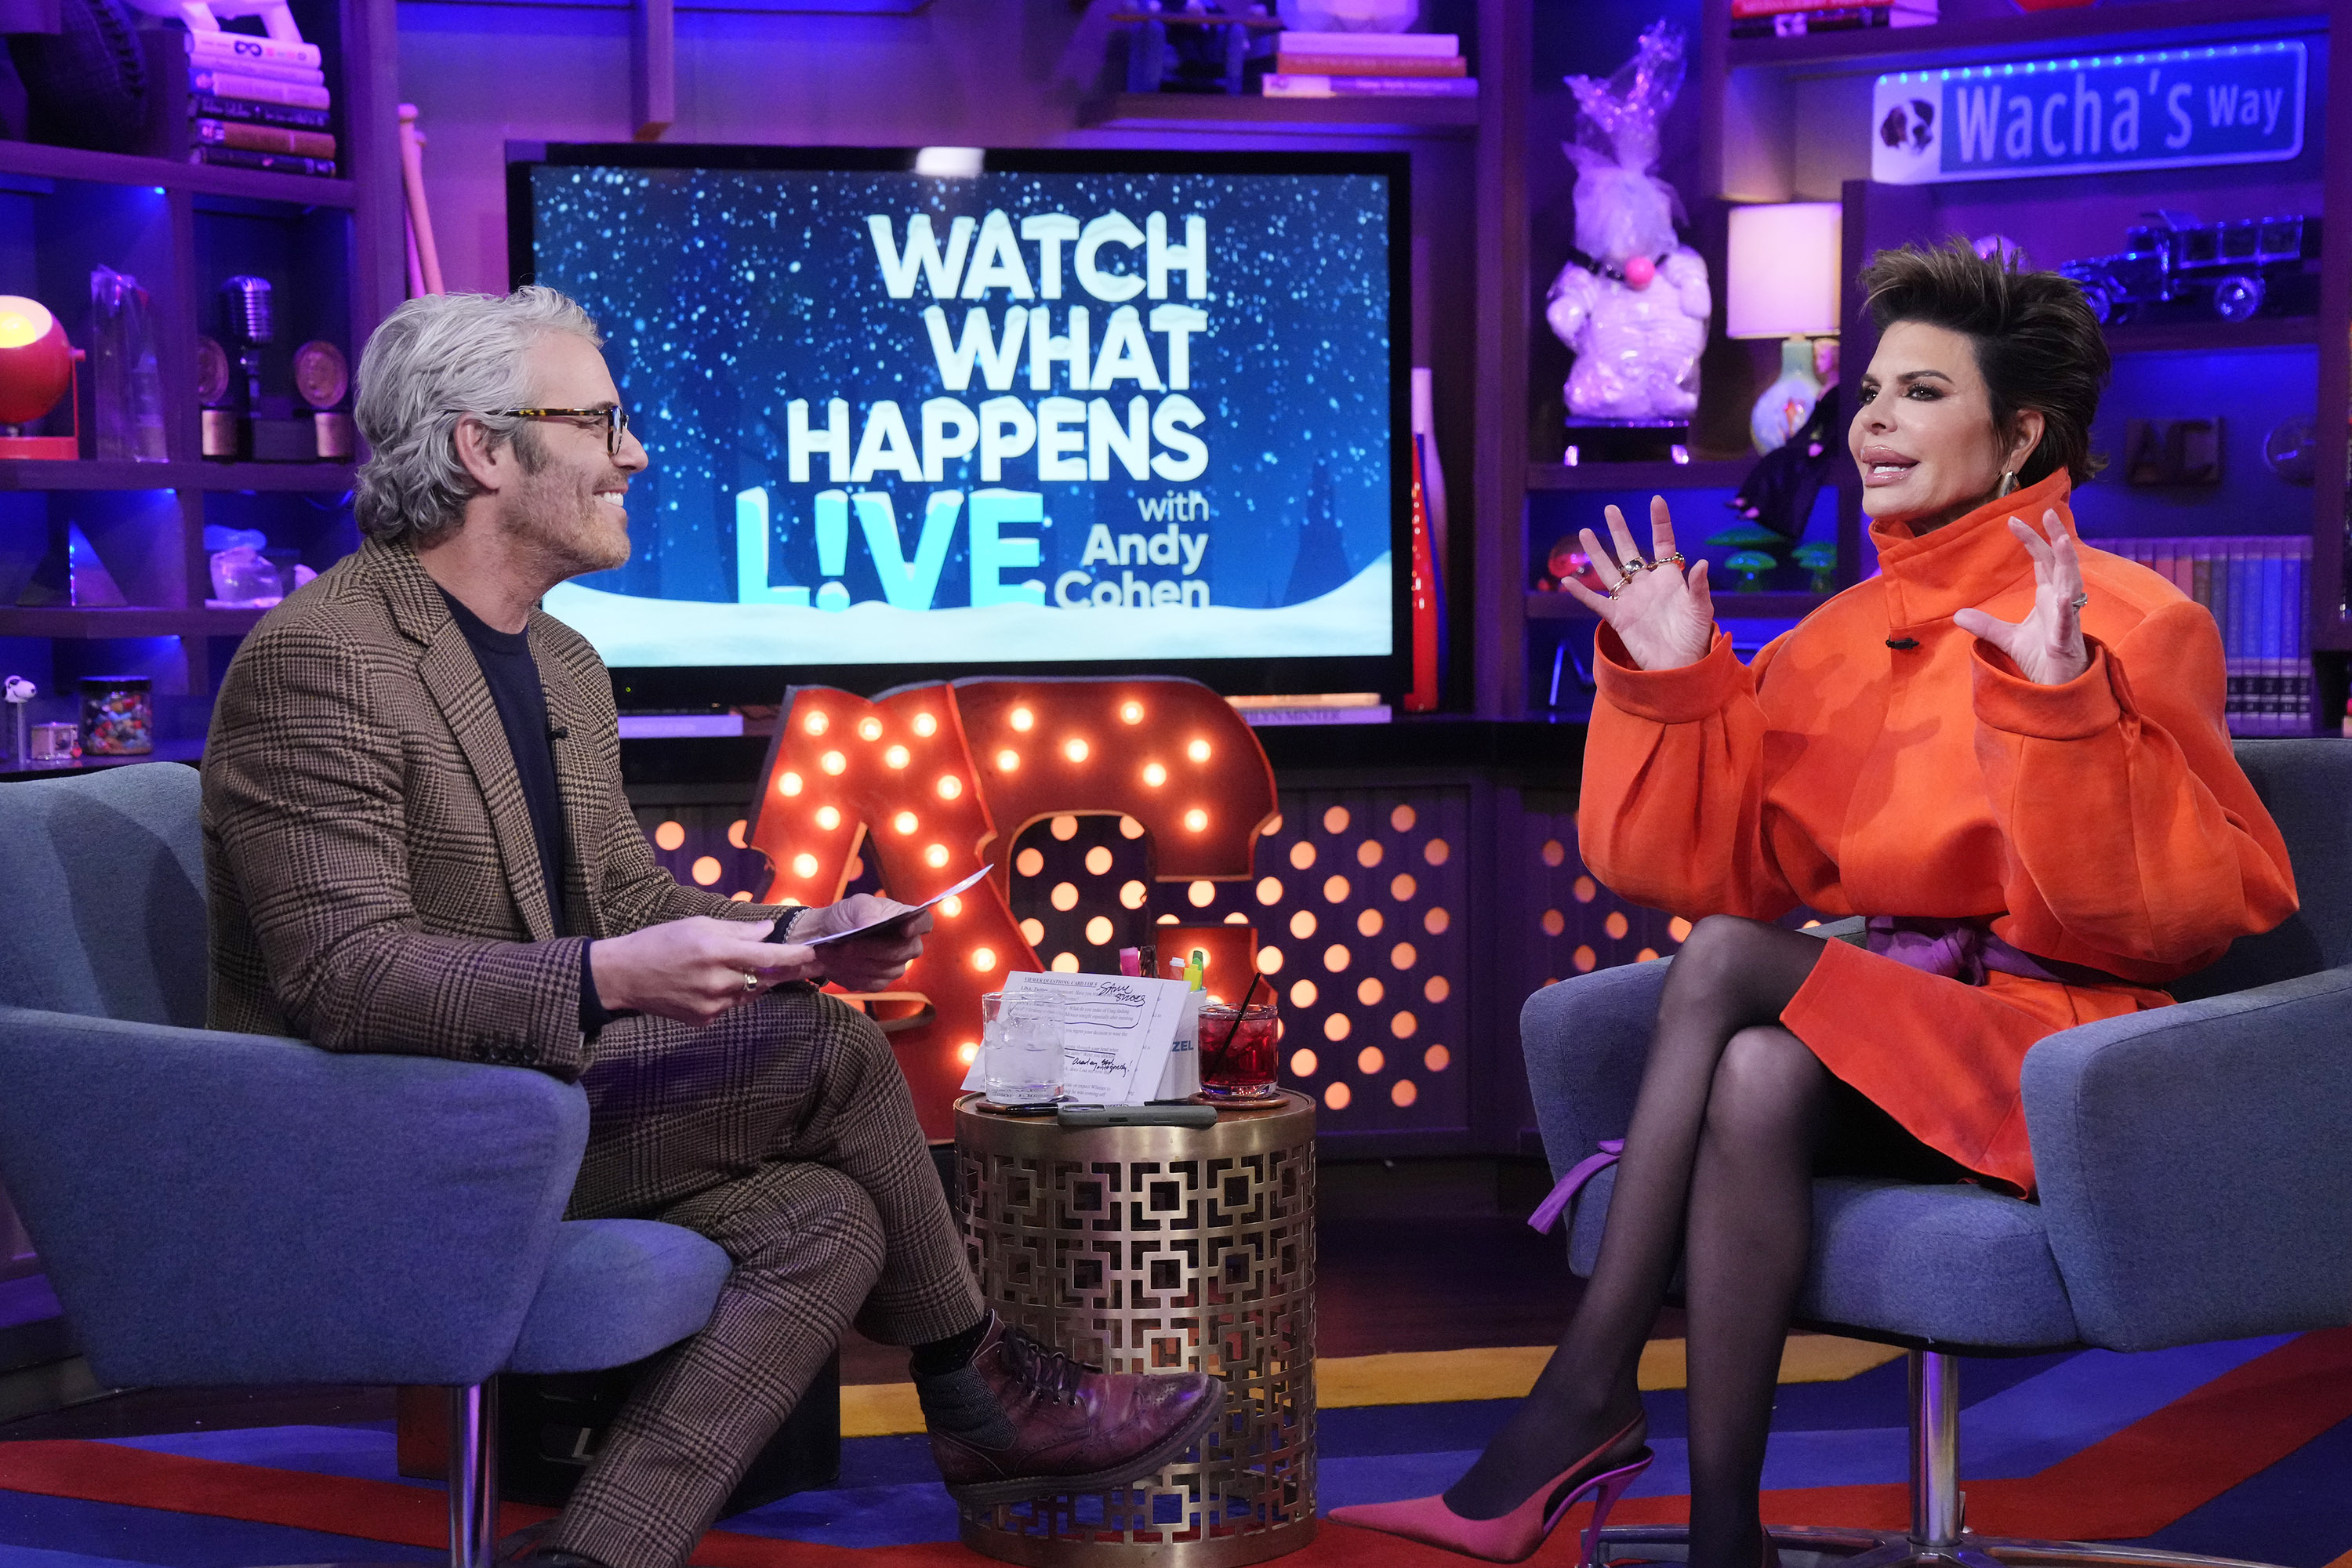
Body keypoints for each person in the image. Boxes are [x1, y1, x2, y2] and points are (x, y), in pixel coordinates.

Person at [201, 288, 1220, 1568]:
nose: (634, 454)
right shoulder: (325, 658)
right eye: (601, 421)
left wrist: (807, 929)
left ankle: (597, 1556)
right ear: (480, 447)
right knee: (835, 1055)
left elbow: (625, 899)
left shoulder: (558, 659)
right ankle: (978, 1387)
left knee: (825, 1223)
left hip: (529, 1102)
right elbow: (344, 979)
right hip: (383, 1136)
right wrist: (608, 979)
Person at [1332, 240, 2298, 1566]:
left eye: (1920, 393)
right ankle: (1728, 1532)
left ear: (2020, 434)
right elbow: (1712, 866)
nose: (1874, 424)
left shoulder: (2138, 621)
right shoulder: (1839, 637)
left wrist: (2063, 709)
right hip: (1889, 1040)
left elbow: (2166, 921)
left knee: (1733, 964)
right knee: (1753, 1075)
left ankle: (1584, 1392)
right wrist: (1676, 686)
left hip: (2068, 1062)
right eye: (1872, 392)